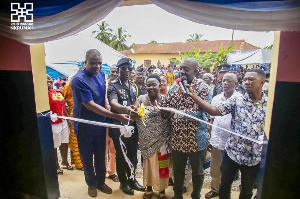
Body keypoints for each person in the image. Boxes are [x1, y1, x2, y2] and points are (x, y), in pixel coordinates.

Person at [187, 69, 267, 199]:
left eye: (251, 79)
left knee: (247, 189)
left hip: (253, 156)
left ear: (262, 82)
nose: (246, 82)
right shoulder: (237, 100)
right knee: (224, 184)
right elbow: (214, 111)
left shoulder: (269, 104)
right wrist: (193, 96)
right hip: (232, 153)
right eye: (245, 79)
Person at [72, 49, 129, 197]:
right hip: (85, 125)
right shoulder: (79, 80)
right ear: (86, 62)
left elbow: (103, 97)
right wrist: (115, 116)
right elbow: (89, 104)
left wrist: (109, 109)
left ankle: (100, 181)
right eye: (93, 63)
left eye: (99, 63)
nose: (97, 66)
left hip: (100, 124)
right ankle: (91, 183)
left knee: (100, 153)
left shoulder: (102, 75)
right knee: (87, 155)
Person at [160, 58, 212, 199]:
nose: (182, 72)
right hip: (178, 137)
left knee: (198, 171)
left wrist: (175, 112)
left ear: (196, 71)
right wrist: (160, 109)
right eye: (180, 68)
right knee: (178, 170)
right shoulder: (174, 87)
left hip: (197, 137)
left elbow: (200, 111)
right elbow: (165, 104)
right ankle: (177, 194)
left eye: (186, 69)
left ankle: (196, 195)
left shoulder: (204, 88)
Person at [108, 57, 146, 195]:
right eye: (123, 68)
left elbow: (136, 102)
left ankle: (132, 179)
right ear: (118, 69)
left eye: (129, 68)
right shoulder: (113, 86)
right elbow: (113, 104)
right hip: (119, 127)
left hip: (133, 126)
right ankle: (124, 183)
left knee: (133, 155)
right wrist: (127, 110)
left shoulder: (132, 85)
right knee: (121, 156)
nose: (127, 70)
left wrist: (137, 111)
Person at [204, 73, 242, 198]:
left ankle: (226, 191)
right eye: (224, 81)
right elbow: (211, 120)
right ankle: (215, 189)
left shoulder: (240, 99)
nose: (225, 83)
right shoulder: (216, 99)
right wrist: (210, 137)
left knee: (228, 171)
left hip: (232, 142)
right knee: (215, 167)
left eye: (229, 81)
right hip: (217, 139)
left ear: (236, 84)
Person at [135, 74, 171, 199]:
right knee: (148, 165)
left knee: (162, 164)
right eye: (148, 85)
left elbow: (170, 117)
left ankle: (162, 190)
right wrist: (137, 111)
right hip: (146, 140)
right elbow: (135, 113)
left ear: (159, 86)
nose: (151, 87)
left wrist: (163, 112)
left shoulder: (165, 99)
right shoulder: (141, 99)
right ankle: (148, 188)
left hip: (161, 140)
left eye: (154, 84)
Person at [47, 75, 72, 175]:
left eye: (50, 81)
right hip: (53, 123)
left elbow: (63, 105)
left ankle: (65, 162)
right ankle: (56, 165)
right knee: (55, 144)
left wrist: (67, 118)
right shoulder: (43, 94)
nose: (49, 83)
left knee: (64, 142)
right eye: (46, 82)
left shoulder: (57, 92)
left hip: (63, 121)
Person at [61, 76, 83, 171]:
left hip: (82, 116)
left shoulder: (81, 86)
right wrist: (68, 117)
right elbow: (61, 102)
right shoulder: (67, 87)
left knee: (80, 140)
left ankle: (75, 161)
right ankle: (79, 164)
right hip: (72, 116)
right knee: (74, 140)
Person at [105, 65, 119, 182]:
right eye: (112, 71)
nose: (114, 73)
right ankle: (103, 171)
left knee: (113, 150)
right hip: (104, 121)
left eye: (116, 71)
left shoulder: (118, 86)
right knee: (103, 148)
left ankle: (112, 172)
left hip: (115, 122)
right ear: (109, 72)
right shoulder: (103, 85)